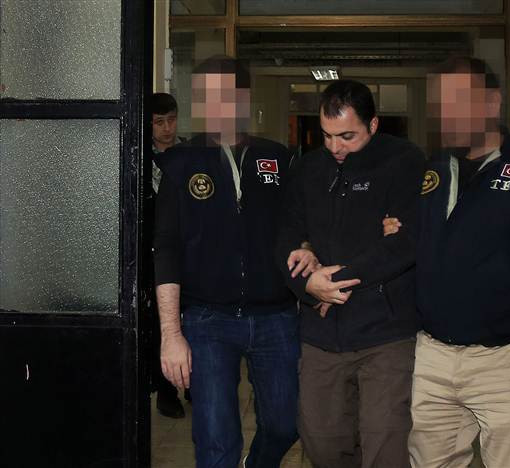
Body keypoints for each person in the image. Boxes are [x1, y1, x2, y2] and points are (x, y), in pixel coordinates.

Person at [385, 56, 510, 468]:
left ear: (492, 102)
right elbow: (422, 242)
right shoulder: (432, 170)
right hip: (433, 356)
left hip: (508, 360)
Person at [153, 57, 316, 468]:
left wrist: (308, 246)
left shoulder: (278, 158)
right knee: (215, 439)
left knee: (286, 424)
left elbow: (299, 226)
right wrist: (171, 334)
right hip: (207, 320)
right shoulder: (179, 163)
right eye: (205, 95)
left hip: (276, 318)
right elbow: (166, 248)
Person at [276, 79, 425, 468]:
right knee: (321, 441)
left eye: (347, 136)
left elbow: (405, 242)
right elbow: (286, 235)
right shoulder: (307, 168)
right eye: (327, 136)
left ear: (373, 125)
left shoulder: (404, 161)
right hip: (321, 332)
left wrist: (334, 281)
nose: (335, 147)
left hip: (385, 331)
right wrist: (308, 283)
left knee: (385, 444)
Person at [148, 92, 189, 419]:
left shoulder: (191, 154)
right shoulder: (140, 155)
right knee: (161, 324)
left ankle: (194, 383)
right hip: (154, 251)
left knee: (193, 319)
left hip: (190, 250)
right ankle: (166, 390)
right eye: (159, 122)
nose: (166, 128)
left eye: (171, 120)